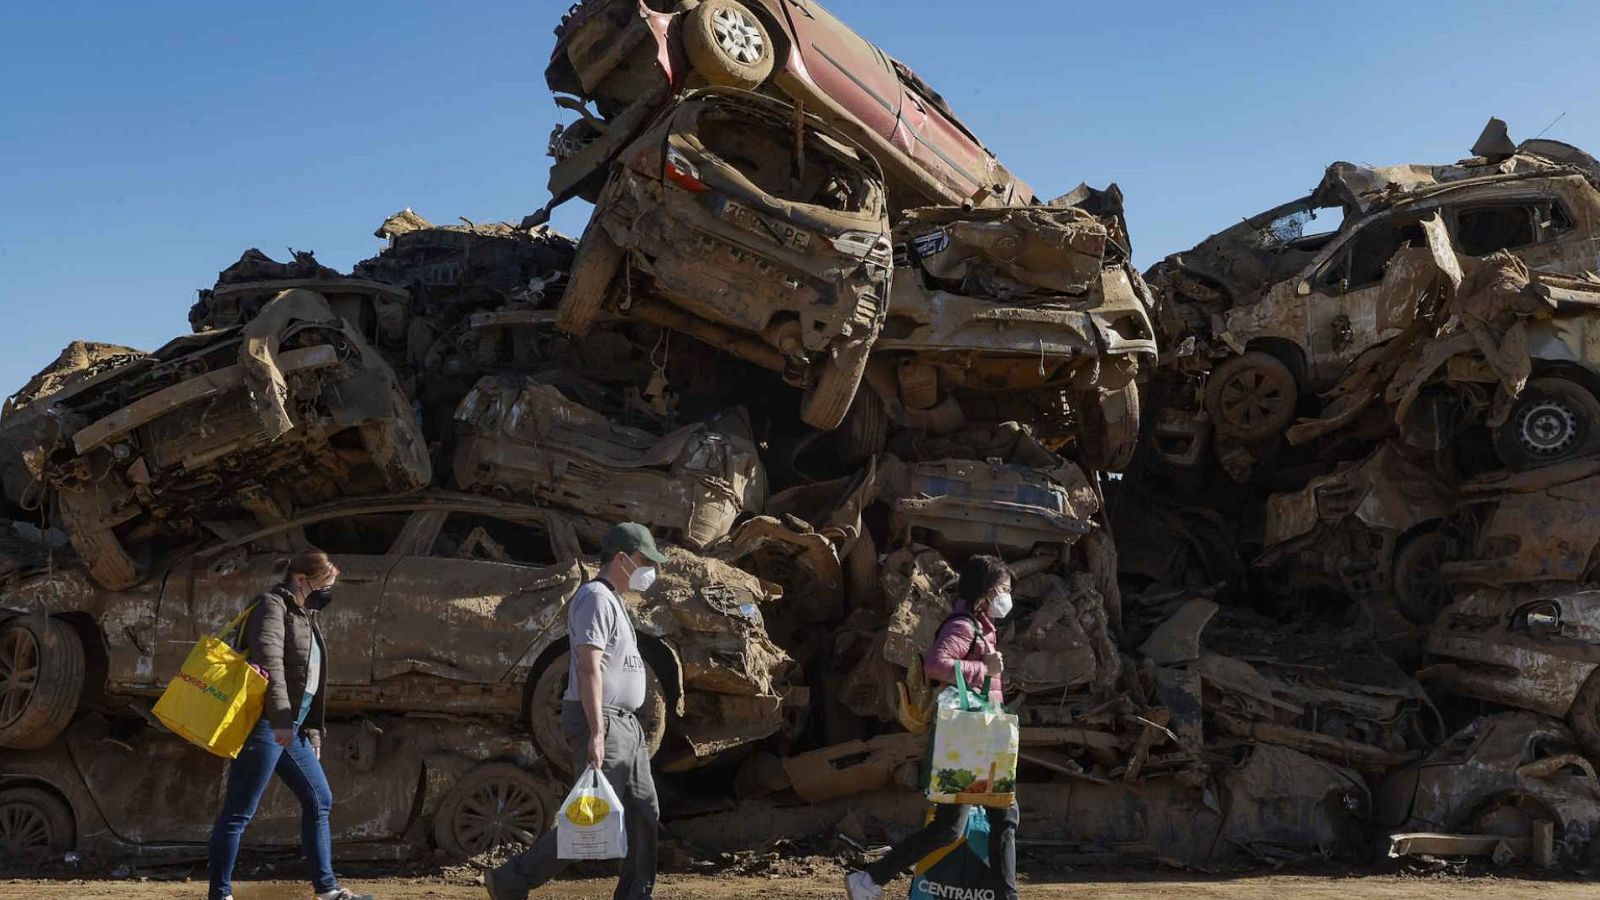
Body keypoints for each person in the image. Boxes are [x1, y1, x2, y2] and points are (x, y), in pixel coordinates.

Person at [488, 522, 666, 900]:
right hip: (604, 720)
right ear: (622, 559)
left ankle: (637, 894)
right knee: (589, 820)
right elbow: (589, 666)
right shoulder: (596, 599)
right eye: (644, 560)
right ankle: (510, 881)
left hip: (626, 725)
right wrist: (597, 730)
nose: (650, 569)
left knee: (644, 813)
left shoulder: (614, 600)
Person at [845, 554, 1020, 900]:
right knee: (962, 825)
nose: (1007, 597)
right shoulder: (963, 626)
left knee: (988, 820)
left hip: (979, 742)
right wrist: (983, 669)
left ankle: (870, 880)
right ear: (986, 592)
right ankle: (869, 879)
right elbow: (936, 664)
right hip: (971, 742)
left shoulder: (981, 627)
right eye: (1004, 589)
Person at [207, 548, 373, 900]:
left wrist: (309, 729)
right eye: (324, 584)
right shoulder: (273, 607)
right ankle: (219, 894)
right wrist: (283, 720)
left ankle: (327, 889)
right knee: (239, 812)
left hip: (290, 727)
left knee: (320, 800)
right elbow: (271, 667)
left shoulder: (304, 614)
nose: (327, 592)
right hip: (268, 724)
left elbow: (309, 678)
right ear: (301, 580)